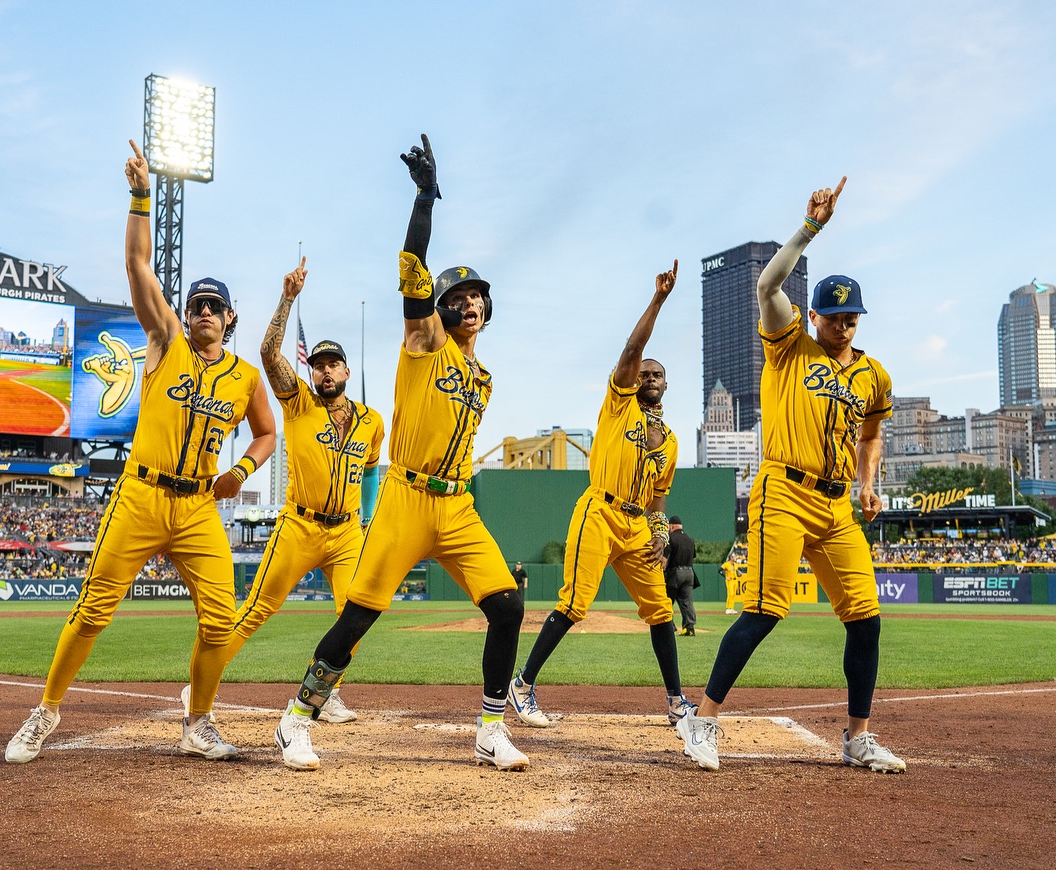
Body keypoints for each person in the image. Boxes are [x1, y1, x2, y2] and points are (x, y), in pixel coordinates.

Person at [4, 138, 277, 764]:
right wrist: (140, 196)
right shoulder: (166, 340)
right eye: (197, 304)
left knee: (221, 620)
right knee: (93, 612)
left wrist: (242, 468)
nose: (203, 312)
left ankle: (198, 721)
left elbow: (267, 433)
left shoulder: (244, 377)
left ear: (230, 318)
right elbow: (137, 265)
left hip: (198, 507)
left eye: (214, 306)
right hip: (142, 495)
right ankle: (45, 711)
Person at [274, 133, 527, 771]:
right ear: (438, 310)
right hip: (406, 497)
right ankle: (297, 717)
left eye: (477, 296)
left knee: (508, 606)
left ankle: (491, 728)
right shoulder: (424, 344)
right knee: (360, 615)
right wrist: (425, 199)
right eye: (456, 297)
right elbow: (413, 264)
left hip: (457, 505)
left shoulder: (482, 377)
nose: (469, 302)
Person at [677, 177, 905, 773]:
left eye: (852, 317)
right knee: (764, 610)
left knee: (866, 619)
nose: (844, 325)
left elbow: (872, 434)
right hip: (783, 491)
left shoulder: (875, 375)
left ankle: (857, 738)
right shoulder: (789, 346)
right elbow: (766, 285)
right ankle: (702, 721)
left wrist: (868, 483)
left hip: (836, 506)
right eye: (834, 316)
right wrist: (810, 229)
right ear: (815, 315)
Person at [180, 260, 386, 726]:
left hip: (347, 533)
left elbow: (372, 470)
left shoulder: (372, 421)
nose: (325, 372)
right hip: (300, 525)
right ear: (311, 373)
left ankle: (323, 692)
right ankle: (200, 685)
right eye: (318, 366)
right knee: (256, 609)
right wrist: (288, 298)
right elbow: (269, 352)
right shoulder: (299, 403)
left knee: (356, 614)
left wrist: (369, 517)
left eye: (332, 364)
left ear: (346, 370)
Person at [509, 263, 690, 729]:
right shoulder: (619, 405)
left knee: (661, 611)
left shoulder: (670, 440)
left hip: (636, 526)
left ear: (666, 384)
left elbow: (659, 496)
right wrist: (658, 301)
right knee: (574, 604)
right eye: (644, 371)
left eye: (657, 373)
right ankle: (522, 684)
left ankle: (676, 702)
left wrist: (660, 533)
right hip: (600, 510)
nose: (649, 375)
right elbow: (632, 350)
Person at [665, 516, 697, 636]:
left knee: (667, 600)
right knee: (687, 601)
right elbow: (693, 556)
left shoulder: (670, 537)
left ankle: (669, 626)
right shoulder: (690, 539)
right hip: (689, 572)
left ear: (672, 526)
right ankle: (689, 628)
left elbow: (664, 558)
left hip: (675, 572)